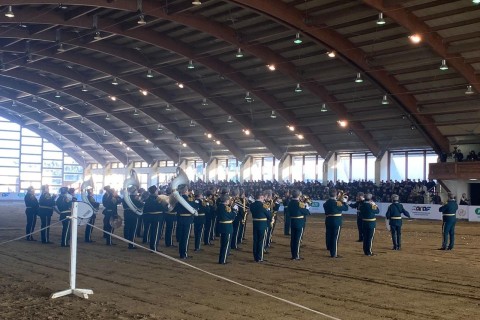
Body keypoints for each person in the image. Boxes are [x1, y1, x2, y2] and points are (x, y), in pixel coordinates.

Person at [323, 189, 348, 258]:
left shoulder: (326, 203)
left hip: (328, 220)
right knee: (335, 237)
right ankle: (334, 253)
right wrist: (344, 202)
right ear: (336, 195)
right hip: (336, 221)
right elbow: (346, 208)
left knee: (328, 234)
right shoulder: (337, 203)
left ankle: (329, 247)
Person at [174, 185, 196, 259]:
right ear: (186, 191)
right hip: (187, 219)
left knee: (181, 237)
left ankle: (181, 253)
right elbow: (195, 207)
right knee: (185, 238)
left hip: (180, 219)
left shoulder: (178, 199)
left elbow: (175, 208)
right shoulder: (189, 199)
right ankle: (184, 254)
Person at [249, 190, 272, 262]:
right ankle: (260, 258)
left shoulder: (252, 205)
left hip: (255, 224)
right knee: (261, 241)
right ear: (261, 197)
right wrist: (268, 210)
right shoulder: (264, 205)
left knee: (255, 240)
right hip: (262, 224)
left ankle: (255, 257)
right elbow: (269, 216)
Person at [288, 189, 310, 260]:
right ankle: (296, 256)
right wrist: (307, 207)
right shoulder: (300, 204)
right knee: (297, 239)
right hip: (299, 222)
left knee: (293, 239)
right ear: (299, 195)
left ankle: (293, 255)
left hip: (292, 221)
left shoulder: (290, 203)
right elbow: (307, 212)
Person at [217, 194, 235, 264]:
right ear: (227, 200)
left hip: (221, 226)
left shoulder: (219, 206)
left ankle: (222, 259)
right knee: (226, 244)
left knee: (223, 244)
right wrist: (234, 211)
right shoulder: (226, 208)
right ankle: (223, 260)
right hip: (227, 226)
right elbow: (232, 216)